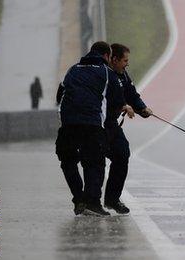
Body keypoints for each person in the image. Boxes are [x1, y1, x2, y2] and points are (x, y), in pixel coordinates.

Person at [56, 41, 130, 216]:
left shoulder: (73, 69)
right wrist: (125, 107)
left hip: (68, 123)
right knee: (94, 162)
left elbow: (60, 95)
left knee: (68, 161)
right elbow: (117, 101)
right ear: (106, 56)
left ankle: (79, 198)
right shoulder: (106, 72)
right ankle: (93, 203)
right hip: (91, 123)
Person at [103, 43, 153, 214]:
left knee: (122, 154)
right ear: (113, 59)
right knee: (94, 163)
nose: (127, 64)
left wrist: (143, 109)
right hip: (97, 125)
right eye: (125, 60)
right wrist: (122, 105)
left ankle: (112, 199)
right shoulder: (103, 74)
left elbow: (132, 95)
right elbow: (106, 99)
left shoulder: (123, 75)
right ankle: (89, 201)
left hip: (113, 126)